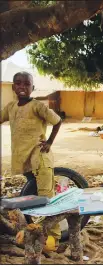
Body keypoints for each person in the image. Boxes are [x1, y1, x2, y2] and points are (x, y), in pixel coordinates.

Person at [0, 72, 63, 251]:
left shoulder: (37, 106)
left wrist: (49, 142)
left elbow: (57, 121)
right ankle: (38, 230)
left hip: (39, 155)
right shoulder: (11, 107)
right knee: (34, 194)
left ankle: (54, 239)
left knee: (46, 197)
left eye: (26, 84)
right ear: (13, 87)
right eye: (18, 84)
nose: (22, 87)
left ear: (32, 88)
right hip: (23, 156)